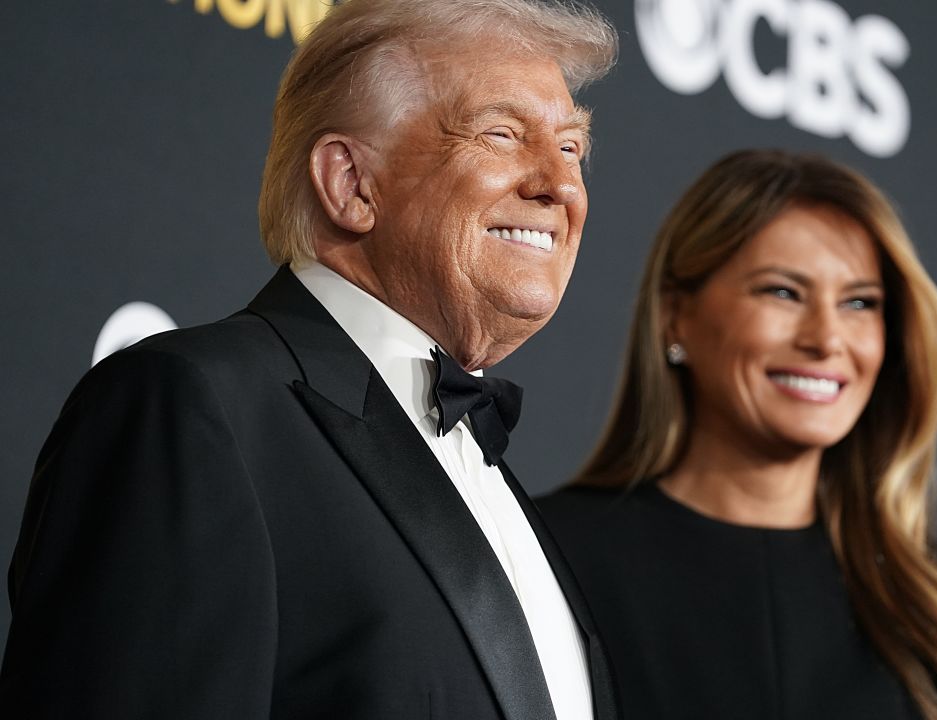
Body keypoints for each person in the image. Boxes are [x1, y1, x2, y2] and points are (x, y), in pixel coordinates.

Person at [0, 1, 618, 718]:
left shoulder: (489, 472)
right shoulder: (191, 410)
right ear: (351, 184)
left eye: (571, 148)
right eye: (502, 134)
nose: (560, 185)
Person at [539, 149, 937, 720]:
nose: (827, 339)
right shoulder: (546, 558)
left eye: (860, 303)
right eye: (782, 292)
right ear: (675, 316)